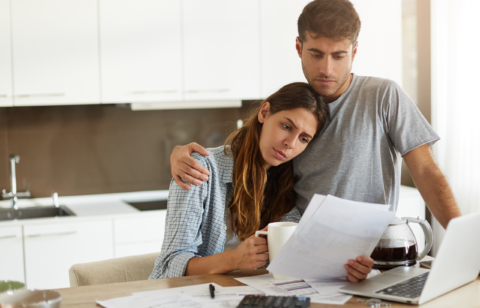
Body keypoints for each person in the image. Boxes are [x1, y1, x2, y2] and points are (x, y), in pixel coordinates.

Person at [168, 0, 462, 283]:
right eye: (316, 54)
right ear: (299, 47)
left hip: (372, 261)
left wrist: (465, 247)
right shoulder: (288, 119)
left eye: (338, 56)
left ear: (354, 51)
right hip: (304, 267)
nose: (327, 70)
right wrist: (182, 156)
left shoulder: (384, 96)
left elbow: (426, 172)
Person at [150, 82, 330, 279]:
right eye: (286, 126)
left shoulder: (289, 185)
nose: (290, 144)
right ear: (264, 112)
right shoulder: (199, 169)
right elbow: (170, 265)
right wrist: (234, 259)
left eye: (304, 139)